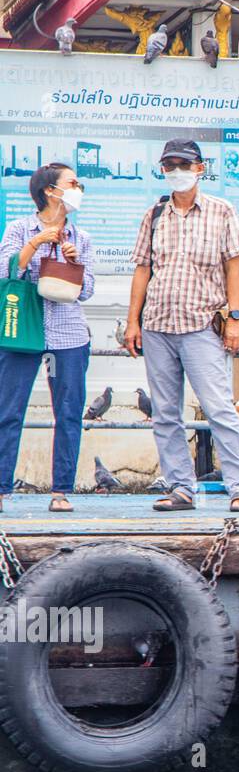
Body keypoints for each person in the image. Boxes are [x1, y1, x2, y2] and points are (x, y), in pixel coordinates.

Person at [123, 138, 239, 512]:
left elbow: (234, 268)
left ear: (201, 168)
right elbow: (142, 270)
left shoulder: (221, 210)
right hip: (158, 325)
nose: (177, 172)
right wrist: (132, 321)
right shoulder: (154, 215)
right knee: (165, 413)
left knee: (218, 408)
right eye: (170, 166)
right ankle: (181, 488)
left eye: (185, 164)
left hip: (201, 325)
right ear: (163, 170)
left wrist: (234, 318)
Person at [0, 163, 94, 513]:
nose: (77, 189)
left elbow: (87, 291)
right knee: (9, 410)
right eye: (72, 183)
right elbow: (5, 270)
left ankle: (61, 491)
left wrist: (73, 261)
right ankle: (1, 488)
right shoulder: (19, 228)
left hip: (68, 335)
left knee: (68, 412)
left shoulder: (81, 237)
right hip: (23, 332)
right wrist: (37, 241)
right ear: (49, 191)